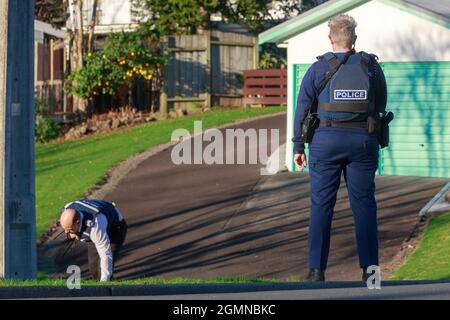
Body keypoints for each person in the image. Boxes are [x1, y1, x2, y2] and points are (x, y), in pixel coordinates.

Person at [292, 14, 387, 281]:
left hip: (326, 142)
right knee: (365, 206)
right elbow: (380, 104)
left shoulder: (317, 69)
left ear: (330, 39)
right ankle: (370, 274)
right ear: (354, 39)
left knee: (321, 205)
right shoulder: (371, 66)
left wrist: (298, 145)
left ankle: (315, 271)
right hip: (363, 142)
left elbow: (302, 109)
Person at [59, 198, 127, 281]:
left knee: (102, 272)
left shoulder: (95, 226)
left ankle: (109, 288)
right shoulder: (67, 208)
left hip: (115, 228)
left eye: (69, 229)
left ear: (77, 222)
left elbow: (106, 254)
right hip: (97, 223)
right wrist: (73, 232)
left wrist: (104, 282)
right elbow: (69, 225)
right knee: (94, 268)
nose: (66, 232)